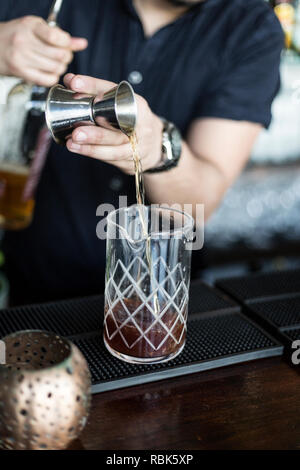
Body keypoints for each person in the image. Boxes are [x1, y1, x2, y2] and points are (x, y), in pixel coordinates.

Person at [0, 0, 283, 305]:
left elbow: (201, 200)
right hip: (36, 286)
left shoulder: (250, 25)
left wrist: (158, 150)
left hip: (163, 295)